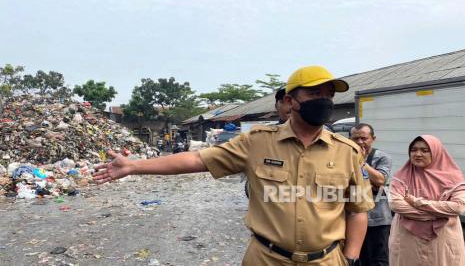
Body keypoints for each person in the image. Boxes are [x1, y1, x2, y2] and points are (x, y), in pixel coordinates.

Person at [93, 65, 374, 265]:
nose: (324, 102)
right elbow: (196, 159)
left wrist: (350, 258)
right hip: (266, 259)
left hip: (326, 260)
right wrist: (134, 166)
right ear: (290, 101)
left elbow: (358, 211)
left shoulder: (346, 151)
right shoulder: (257, 142)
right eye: (315, 95)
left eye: (328, 95)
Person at [389, 135, 465, 266]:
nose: (418, 154)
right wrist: (437, 213)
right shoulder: (401, 177)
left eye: (424, 150)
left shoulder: (454, 178)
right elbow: (396, 204)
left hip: (442, 239)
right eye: (414, 150)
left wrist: (417, 202)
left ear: (436, 152)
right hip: (408, 239)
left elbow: (458, 207)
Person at [351, 124, 392, 266]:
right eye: (355, 138)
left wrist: (361, 161)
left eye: (364, 138)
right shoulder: (344, 157)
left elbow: (380, 180)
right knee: (356, 258)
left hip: (378, 220)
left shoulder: (382, 157)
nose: (359, 142)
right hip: (353, 218)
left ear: (373, 139)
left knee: (379, 260)